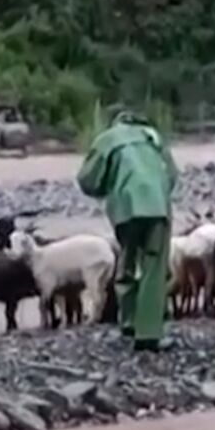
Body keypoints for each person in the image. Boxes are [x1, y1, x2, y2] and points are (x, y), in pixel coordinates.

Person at [76, 110, 178, 351]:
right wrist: (159, 194)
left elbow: (86, 180)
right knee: (154, 268)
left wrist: (108, 189)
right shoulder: (152, 136)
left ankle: (129, 322)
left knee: (127, 261)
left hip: (124, 209)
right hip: (157, 207)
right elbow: (171, 175)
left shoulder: (107, 139)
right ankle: (149, 334)